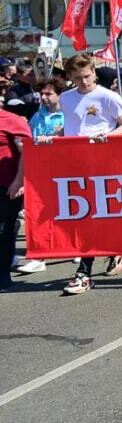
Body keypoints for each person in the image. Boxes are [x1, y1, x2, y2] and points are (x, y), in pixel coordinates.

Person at [38, 54, 122, 292]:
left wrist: (108, 136)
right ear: (70, 77)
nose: (84, 82)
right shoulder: (67, 99)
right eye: (78, 78)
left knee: (96, 215)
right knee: (81, 217)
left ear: (94, 73)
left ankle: (84, 273)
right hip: (74, 164)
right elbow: (71, 128)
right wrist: (51, 138)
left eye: (88, 76)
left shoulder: (108, 96)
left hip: (103, 163)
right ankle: (112, 250)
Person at [0, 101, 29, 290]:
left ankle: (3, 274)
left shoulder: (12, 120)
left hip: (6, 185)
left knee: (4, 230)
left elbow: (26, 152)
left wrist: (19, 181)